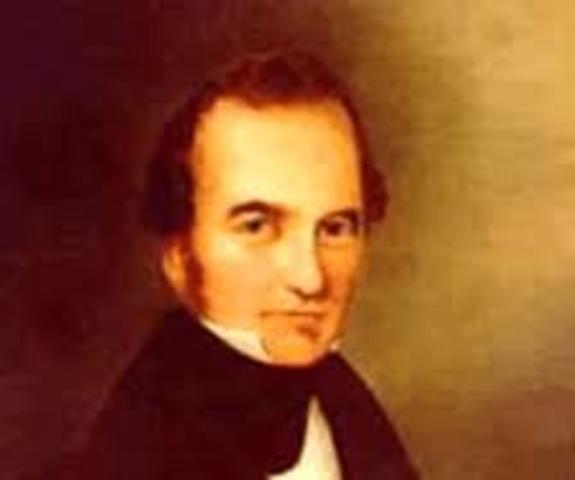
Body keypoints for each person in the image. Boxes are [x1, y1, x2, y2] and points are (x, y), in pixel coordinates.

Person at [43, 49, 418, 479]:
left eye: (335, 229)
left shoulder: (352, 417)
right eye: (257, 226)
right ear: (179, 256)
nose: (310, 278)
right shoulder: (133, 453)